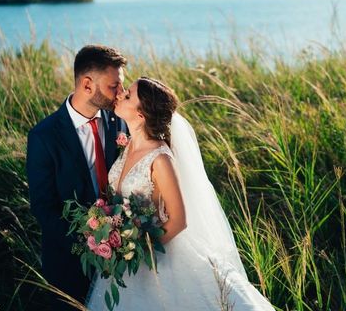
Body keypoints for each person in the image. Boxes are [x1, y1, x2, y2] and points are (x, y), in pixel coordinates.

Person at [87, 77, 274, 310]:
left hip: (154, 256)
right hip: (127, 255)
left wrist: (140, 251)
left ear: (141, 114)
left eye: (128, 96)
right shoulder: (128, 146)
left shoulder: (160, 159)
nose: (120, 95)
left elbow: (179, 220)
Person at [26, 45, 128, 309]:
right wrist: (89, 245)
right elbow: (43, 207)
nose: (121, 93)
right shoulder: (44, 136)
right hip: (70, 263)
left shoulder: (121, 122)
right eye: (113, 86)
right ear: (87, 85)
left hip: (125, 257)